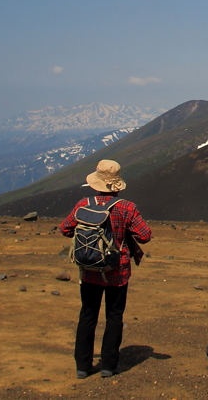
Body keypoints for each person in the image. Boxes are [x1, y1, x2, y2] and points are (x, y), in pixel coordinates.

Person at [59, 159, 152, 378]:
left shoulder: (83, 204)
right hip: (117, 271)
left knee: (88, 315)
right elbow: (145, 236)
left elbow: (65, 229)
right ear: (116, 185)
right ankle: (109, 365)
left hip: (90, 270)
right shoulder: (127, 208)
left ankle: (83, 366)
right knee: (114, 316)